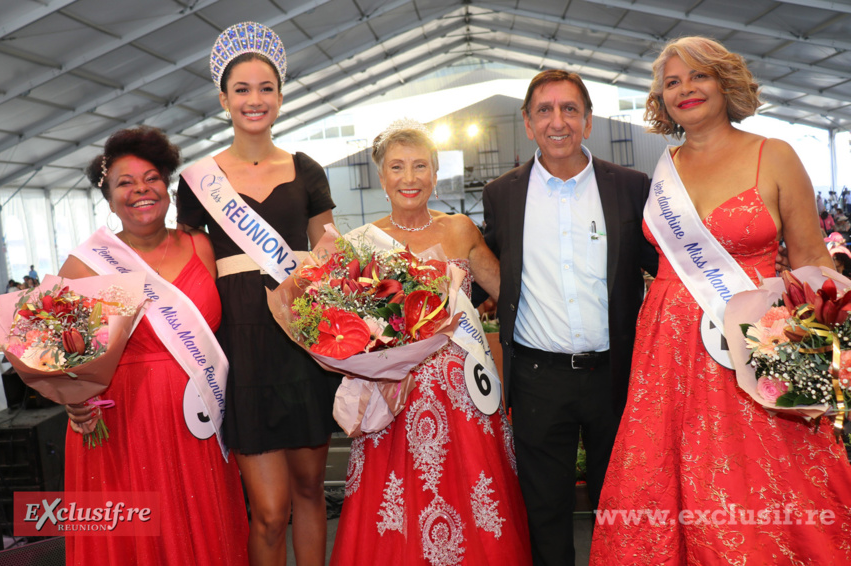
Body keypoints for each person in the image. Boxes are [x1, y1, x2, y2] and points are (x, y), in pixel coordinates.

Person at [591, 36, 851, 564]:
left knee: (763, 468)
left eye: (698, 76)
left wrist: (828, 343)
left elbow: (812, 263)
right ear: (660, 99)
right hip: (667, 347)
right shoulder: (661, 171)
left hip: (753, 339)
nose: (686, 89)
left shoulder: (773, 154)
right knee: (664, 468)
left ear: (724, 82)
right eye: (672, 82)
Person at [330, 119, 531, 565]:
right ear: (381, 178)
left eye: (421, 166)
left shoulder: (459, 229)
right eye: (397, 167)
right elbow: (343, 330)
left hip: (462, 394)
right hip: (393, 399)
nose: (409, 178)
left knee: (471, 493)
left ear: (435, 174)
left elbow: (507, 291)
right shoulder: (360, 243)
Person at [175, 22, 339, 566]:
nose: (254, 100)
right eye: (241, 90)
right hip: (239, 349)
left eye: (265, 88)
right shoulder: (199, 180)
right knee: (268, 510)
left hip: (302, 343)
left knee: (311, 491)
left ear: (281, 96)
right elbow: (197, 275)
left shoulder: (307, 171)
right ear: (223, 99)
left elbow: (332, 261)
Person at [482, 69, 657, 566]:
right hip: (539, 379)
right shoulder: (503, 194)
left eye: (569, 109)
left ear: (589, 120)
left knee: (619, 503)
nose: (557, 121)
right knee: (545, 512)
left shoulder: (630, 186)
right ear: (527, 122)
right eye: (544, 110)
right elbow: (479, 271)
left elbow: (663, 269)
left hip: (616, 375)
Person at [59, 126, 248, 565]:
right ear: (108, 198)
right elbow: (57, 349)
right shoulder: (86, 263)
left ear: (167, 186)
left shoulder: (201, 247)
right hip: (125, 423)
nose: (141, 190)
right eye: (125, 182)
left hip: (200, 418)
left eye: (152, 178)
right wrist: (72, 398)